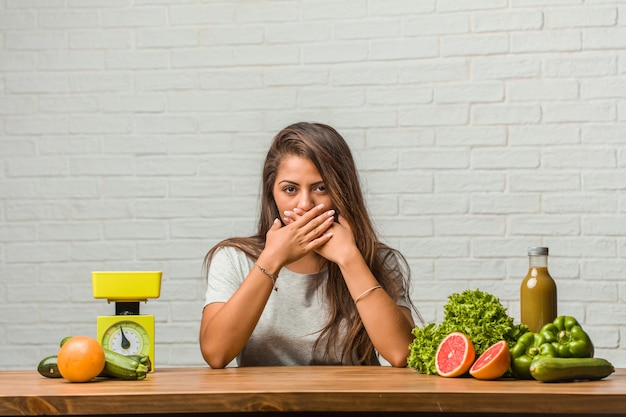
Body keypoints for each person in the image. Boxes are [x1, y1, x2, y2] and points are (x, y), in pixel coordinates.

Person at [199, 122, 419, 368]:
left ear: (342, 191)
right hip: (265, 405)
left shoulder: (378, 258)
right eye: (290, 189)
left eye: (321, 188)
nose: (304, 204)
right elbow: (216, 354)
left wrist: (349, 258)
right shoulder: (234, 258)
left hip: (354, 405)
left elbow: (402, 354)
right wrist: (271, 260)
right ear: (272, 193)